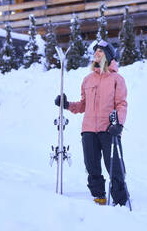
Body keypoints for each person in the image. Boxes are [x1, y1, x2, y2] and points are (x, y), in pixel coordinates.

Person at [55, 40, 128, 206]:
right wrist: (66, 105)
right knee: (92, 166)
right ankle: (99, 196)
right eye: (95, 51)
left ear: (108, 55)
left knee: (114, 166)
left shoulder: (117, 79)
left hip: (109, 129)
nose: (96, 54)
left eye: (100, 51)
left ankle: (120, 198)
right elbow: (83, 105)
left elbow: (121, 104)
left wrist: (119, 124)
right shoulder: (87, 79)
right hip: (88, 129)